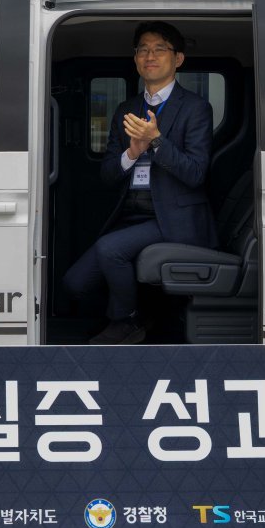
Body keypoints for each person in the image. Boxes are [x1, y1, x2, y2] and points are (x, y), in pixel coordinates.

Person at [64, 21, 218, 345]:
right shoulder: (127, 109)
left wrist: (156, 140)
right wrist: (132, 152)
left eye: (160, 49)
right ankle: (144, 314)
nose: (150, 56)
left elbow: (195, 173)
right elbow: (108, 174)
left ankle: (127, 322)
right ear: (135, 59)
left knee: (110, 249)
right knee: (75, 284)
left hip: (173, 217)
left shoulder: (196, 108)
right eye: (143, 50)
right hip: (131, 214)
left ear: (178, 59)